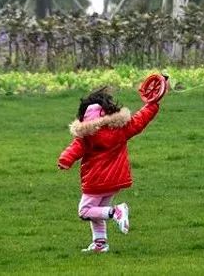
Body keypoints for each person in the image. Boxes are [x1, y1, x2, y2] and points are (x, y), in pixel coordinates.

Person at [57, 84, 166, 253]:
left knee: (85, 211)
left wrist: (65, 159)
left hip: (96, 180)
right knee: (97, 212)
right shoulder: (121, 129)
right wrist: (153, 104)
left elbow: (75, 147)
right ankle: (100, 244)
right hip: (115, 181)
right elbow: (140, 120)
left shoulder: (88, 135)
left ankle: (117, 212)